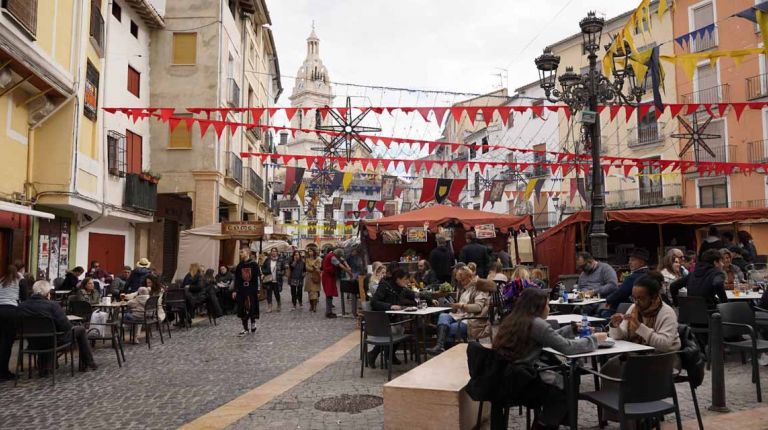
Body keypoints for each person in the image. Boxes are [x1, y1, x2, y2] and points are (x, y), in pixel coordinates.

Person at [492, 288, 606, 429]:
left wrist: (571, 329)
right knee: (567, 380)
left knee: (563, 378)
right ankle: (545, 424)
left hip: (504, 378)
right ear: (538, 307)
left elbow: (547, 338)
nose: (549, 308)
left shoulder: (513, 319)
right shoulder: (536, 324)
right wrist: (594, 339)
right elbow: (567, 348)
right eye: (547, 305)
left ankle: (554, 421)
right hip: (524, 382)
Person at [18, 280, 97, 373]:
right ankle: (89, 362)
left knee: (45, 333)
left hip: (32, 342)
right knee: (81, 329)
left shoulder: (22, 306)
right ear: (48, 294)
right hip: (53, 341)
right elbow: (66, 326)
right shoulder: (52, 305)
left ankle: (44, 366)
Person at [608, 273, 681, 352]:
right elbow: (621, 337)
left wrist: (639, 327)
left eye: (641, 298)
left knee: (615, 363)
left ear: (653, 297)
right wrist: (615, 326)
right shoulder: (634, 308)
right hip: (638, 354)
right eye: (633, 298)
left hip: (664, 358)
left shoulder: (666, 312)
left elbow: (664, 345)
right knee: (612, 363)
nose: (636, 302)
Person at [428, 270, 496, 355]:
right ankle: (440, 346)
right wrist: (453, 307)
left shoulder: (479, 288)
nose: (461, 283)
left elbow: (478, 307)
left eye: (463, 280)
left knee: (446, 329)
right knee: (443, 316)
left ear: (470, 277)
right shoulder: (463, 289)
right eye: (459, 281)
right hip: (459, 316)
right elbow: (458, 310)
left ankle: (447, 352)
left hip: (470, 320)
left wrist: (461, 306)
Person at [603, 248, 650, 315]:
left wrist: (608, 299)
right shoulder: (649, 273)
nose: (629, 262)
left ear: (642, 263)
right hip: (640, 307)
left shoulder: (634, 276)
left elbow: (621, 293)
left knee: (602, 313)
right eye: (629, 260)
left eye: (633, 260)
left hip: (628, 310)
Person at [0, 265, 22, 381]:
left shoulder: (1, 281)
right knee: (7, 343)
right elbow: (23, 298)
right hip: (11, 311)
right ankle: (4, 372)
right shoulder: (18, 282)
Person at [233, 246, 261, 336]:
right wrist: (235, 290)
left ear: (248, 252)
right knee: (242, 307)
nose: (241, 254)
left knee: (251, 306)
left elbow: (257, 278)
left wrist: (258, 290)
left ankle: (253, 322)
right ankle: (245, 328)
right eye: (240, 252)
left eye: (242, 252)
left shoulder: (254, 264)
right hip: (242, 289)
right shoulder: (240, 265)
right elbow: (236, 278)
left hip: (251, 289)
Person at [321, 248, 352, 318]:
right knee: (329, 294)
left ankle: (329, 311)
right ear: (337, 255)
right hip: (327, 277)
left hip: (330, 276)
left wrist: (348, 266)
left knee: (330, 294)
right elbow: (340, 265)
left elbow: (343, 260)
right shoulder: (332, 257)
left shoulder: (333, 254)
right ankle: (328, 313)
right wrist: (349, 272)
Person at [303, 246, 322, 312]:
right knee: (309, 292)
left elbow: (319, 267)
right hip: (308, 277)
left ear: (314, 252)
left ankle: (315, 306)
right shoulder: (307, 259)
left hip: (316, 276)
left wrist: (313, 267)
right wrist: (313, 267)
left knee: (315, 292)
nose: (309, 252)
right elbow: (307, 267)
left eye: (311, 251)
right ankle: (311, 305)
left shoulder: (318, 259)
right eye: (309, 251)